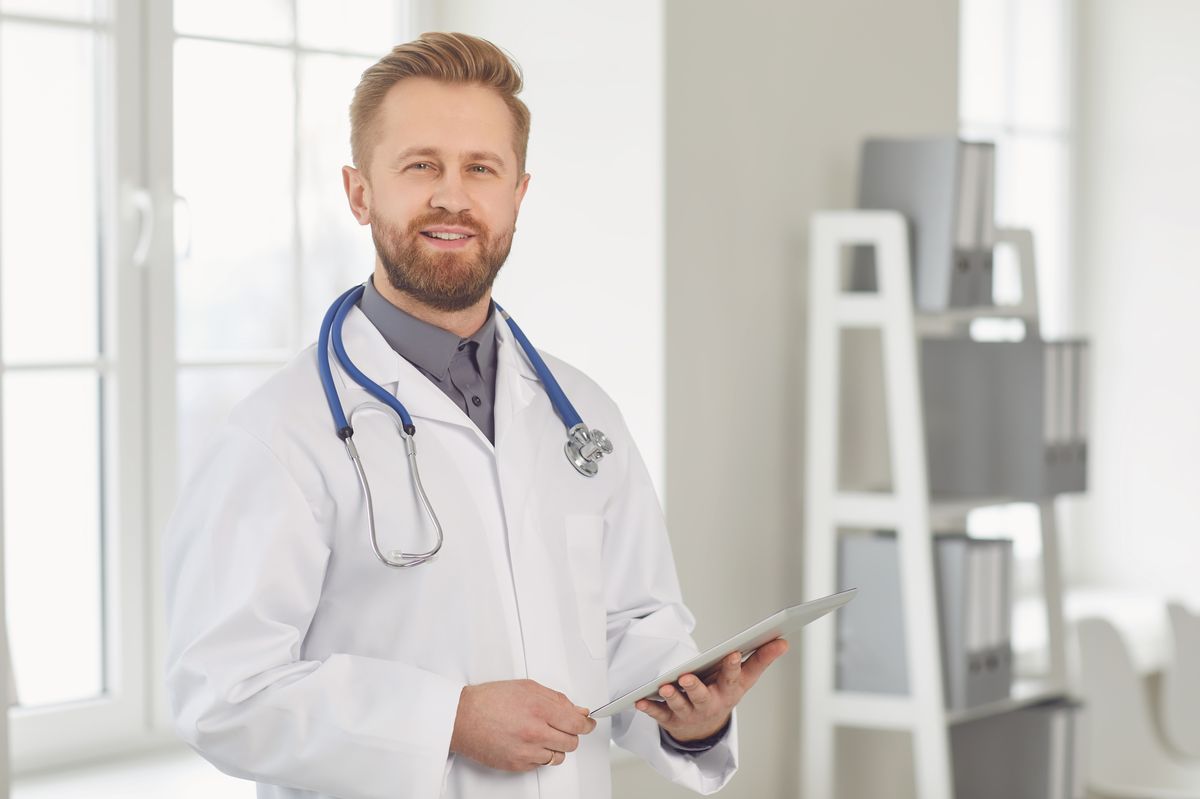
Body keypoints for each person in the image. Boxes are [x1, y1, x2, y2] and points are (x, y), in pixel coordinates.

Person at [163, 31, 787, 799]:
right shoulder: (277, 435)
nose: (453, 196)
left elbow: (633, 623)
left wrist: (690, 715)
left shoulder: (580, 413)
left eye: (481, 169)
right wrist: (446, 719)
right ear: (359, 192)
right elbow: (221, 693)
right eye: (420, 165)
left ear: (518, 195)